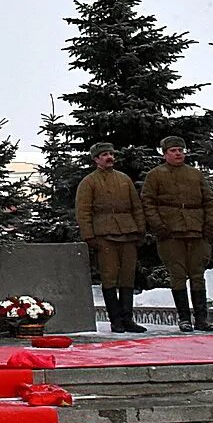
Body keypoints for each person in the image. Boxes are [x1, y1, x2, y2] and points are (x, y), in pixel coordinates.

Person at [142, 135, 213, 332]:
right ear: (165, 154)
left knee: (197, 275)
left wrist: (209, 226)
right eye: (173, 150)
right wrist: (159, 226)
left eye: (181, 150)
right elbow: (148, 203)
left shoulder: (195, 175)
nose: (178, 153)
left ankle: (201, 319)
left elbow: (210, 202)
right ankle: (184, 318)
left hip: (197, 231)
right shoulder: (155, 175)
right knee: (177, 275)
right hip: (171, 233)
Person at [75, 142, 147, 333]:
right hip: (104, 234)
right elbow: (83, 211)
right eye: (104, 154)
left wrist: (140, 230)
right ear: (96, 159)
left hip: (128, 232)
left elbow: (136, 207)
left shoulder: (124, 179)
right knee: (109, 277)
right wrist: (89, 236)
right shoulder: (89, 182)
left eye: (111, 154)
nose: (109, 157)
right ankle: (115, 320)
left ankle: (127, 319)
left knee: (127, 277)